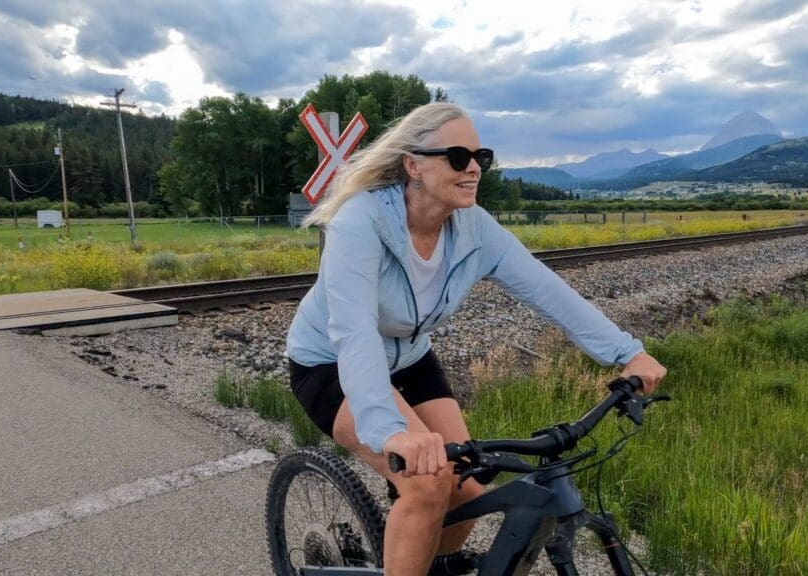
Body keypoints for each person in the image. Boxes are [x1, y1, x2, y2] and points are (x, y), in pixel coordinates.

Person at [285, 102, 666, 576]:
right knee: (428, 483)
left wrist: (627, 352)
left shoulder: (475, 229)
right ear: (413, 165)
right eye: (458, 156)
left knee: (466, 487)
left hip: (410, 357)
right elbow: (354, 333)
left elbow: (549, 291)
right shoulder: (360, 223)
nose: (473, 169)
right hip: (330, 362)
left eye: (480, 157)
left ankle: (414, 553)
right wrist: (391, 431)